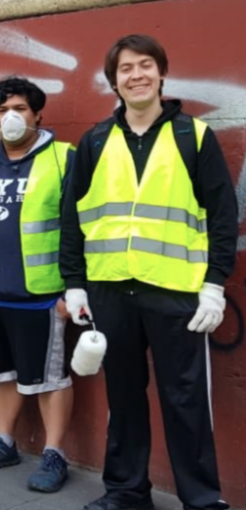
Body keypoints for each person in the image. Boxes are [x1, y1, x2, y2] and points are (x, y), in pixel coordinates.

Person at [60, 35, 236, 510]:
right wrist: (74, 284)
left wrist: (214, 287)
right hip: (111, 290)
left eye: (145, 66)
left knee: (185, 400)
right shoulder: (95, 141)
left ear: (162, 73)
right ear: (113, 81)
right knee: (123, 396)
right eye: (125, 69)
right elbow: (72, 219)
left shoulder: (193, 137)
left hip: (176, 290)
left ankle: (201, 499)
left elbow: (222, 216)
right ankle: (126, 491)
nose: (135, 75)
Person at [0, 77, 75, 493]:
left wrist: (72, 288)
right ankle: (4, 441)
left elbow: (81, 229)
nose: (11, 118)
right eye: (2, 111)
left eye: (20, 109)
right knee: (0, 374)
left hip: (42, 296)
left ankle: (55, 453)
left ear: (38, 114)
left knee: (49, 379)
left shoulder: (65, 160)